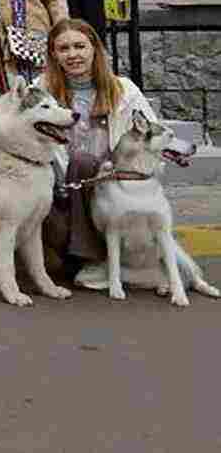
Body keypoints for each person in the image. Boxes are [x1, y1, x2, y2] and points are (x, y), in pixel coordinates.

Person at [41, 18, 162, 276]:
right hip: (58, 189)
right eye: (63, 49)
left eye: (79, 46)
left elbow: (154, 138)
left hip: (111, 187)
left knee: (82, 161)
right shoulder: (41, 91)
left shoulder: (124, 89)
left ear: (94, 48)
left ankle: (90, 257)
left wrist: (130, 171)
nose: (72, 55)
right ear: (54, 54)